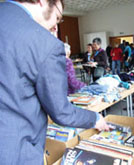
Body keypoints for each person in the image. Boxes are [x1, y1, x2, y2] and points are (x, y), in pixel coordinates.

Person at [0, 0, 109, 164]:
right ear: (42, 1)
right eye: (57, 18)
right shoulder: (44, 43)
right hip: (15, 150)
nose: (55, 26)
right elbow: (61, 112)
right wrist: (95, 118)